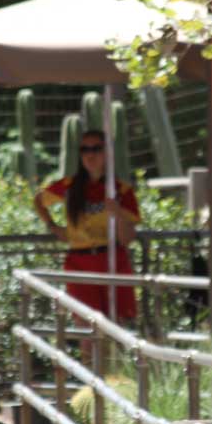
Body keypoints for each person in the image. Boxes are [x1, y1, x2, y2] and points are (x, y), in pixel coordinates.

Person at [34, 131, 141, 327]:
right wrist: (53, 226)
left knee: (116, 328)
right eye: (84, 149)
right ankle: (89, 360)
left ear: (107, 153)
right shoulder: (69, 185)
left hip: (112, 261)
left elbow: (127, 239)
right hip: (79, 263)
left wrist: (116, 213)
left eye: (96, 149)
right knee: (86, 329)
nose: (90, 155)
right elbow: (38, 200)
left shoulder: (122, 190)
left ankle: (111, 359)